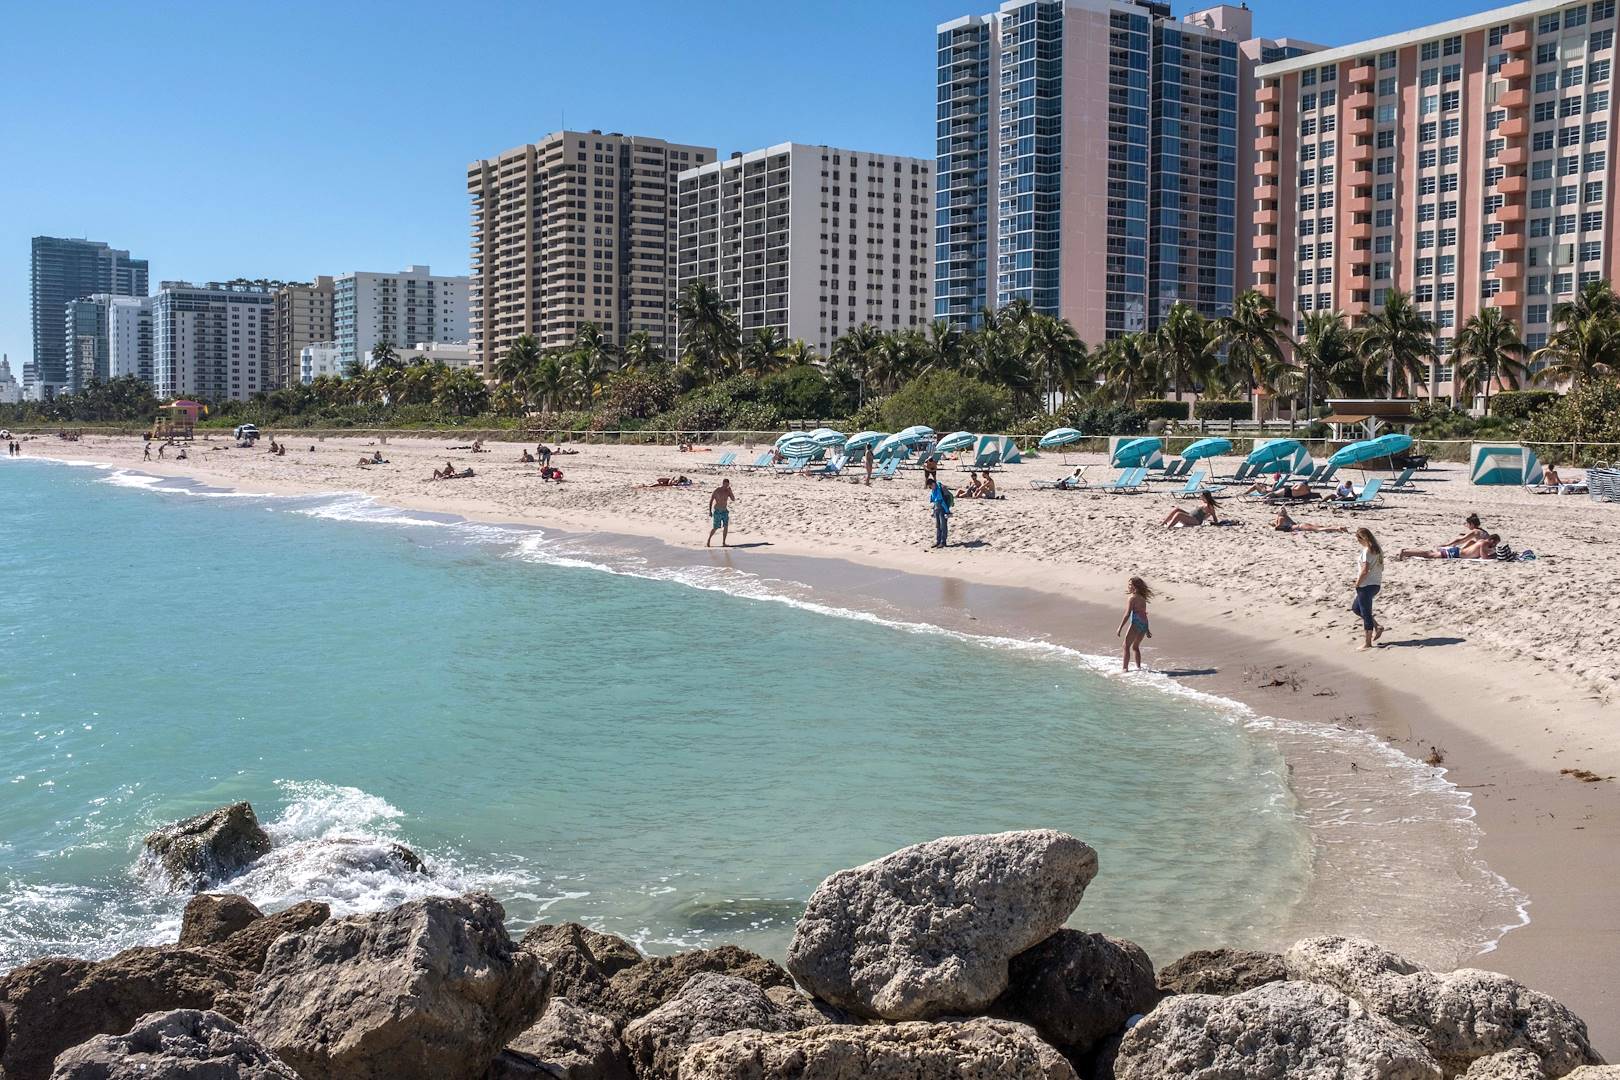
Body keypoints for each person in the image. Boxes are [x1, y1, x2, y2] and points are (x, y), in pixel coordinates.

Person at [1352, 528, 1386, 650]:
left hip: (1366, 585)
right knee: (1356, 608)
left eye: (1358, 539)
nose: (1358, 542)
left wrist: (1357, 583)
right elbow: (1382, 568)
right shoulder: (1378, 549)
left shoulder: (1367, 551)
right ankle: (1377, 626)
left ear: (1363, 538)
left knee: (1366, 613)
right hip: (1375, 584)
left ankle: (1367, 643)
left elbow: (1365, 570)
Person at [1116, 576, 1153, 672]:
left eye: (1130, 585)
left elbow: (1127, 614)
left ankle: (1125, 669)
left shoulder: (1132, 598)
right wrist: (1147, 629)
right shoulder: (1142, 598)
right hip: (1143, 624)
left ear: (1135, 586)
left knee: (1126, 646)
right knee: (1135, 647)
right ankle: (1138, 667)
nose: (1128, 586)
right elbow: (1144, 614)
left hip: (1136, 623)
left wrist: (1120, 627)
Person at [1397, 533, 1500, 560]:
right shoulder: (1484, 543)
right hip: (1456, 553)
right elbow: (1484, 557)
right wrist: (1494, 556)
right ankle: (1406, 552)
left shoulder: (1481, 541)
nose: (1495, 545)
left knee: (1430, 553)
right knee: (1430, 555)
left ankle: (1408, 552)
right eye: (1495, 543)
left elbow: (1472, 542)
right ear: (1491, 540)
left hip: (1458, 552)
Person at [707, 478, 736, 547]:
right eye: (725, 484)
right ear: (723, 483)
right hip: (717, 511)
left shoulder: (728, 491)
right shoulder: (717, 490)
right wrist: (710, 511)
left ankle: (723, 542)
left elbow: (733, 499)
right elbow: (711, 500)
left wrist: (731, 491)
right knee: (716, 527)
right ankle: (709, 540)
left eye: (727, 485)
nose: (726, 486)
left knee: (726, 526)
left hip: (725, 511)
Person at [1272, 508, 1347, 533]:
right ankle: (1336, 527)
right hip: (1301, 525)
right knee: (1319, 527)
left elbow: (1278, 527)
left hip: (1300, 527)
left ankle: (1337, 528)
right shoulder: (1287, 517)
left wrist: (1273, 525)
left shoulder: (1280, 518)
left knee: (1318, 529)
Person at [926, 475, 952, 548]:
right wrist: (933, 511)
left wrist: (947, 511)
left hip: (942, 510)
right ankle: (938, 541)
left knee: (943, 526)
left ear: (933, 484)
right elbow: (935, 502)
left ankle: (943, 542)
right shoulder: (934, 490)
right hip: (937, 509)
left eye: (930, 486)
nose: (930, 488)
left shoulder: (939, 489)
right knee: (938, 526)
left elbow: (942, 501)